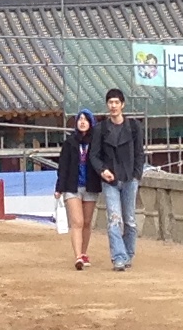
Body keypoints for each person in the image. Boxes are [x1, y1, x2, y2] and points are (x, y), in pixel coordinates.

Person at [92, 88, 146, 271]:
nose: (113, 106)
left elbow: (140, 152)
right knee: (114, 218)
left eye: (116, 102)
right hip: (110, 181)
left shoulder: (134, 127)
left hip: (130, 178)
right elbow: (94, 155)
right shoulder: (100, 129)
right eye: (110, 102)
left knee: (130, 219)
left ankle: (128, 253)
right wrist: (102, 171)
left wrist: (137, 174)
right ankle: (118, 257)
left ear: (122, 104)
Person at [56, 108, 101, 270]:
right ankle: (77, 256)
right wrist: (59, 187)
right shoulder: (70, 142)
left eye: (86, 119)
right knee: (77, 222)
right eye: (80, 119)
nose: (82, 122)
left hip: (90, 185)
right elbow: (63, 166)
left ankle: (84, 252)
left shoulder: (96, 142)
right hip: (72, 186)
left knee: (87, 222)